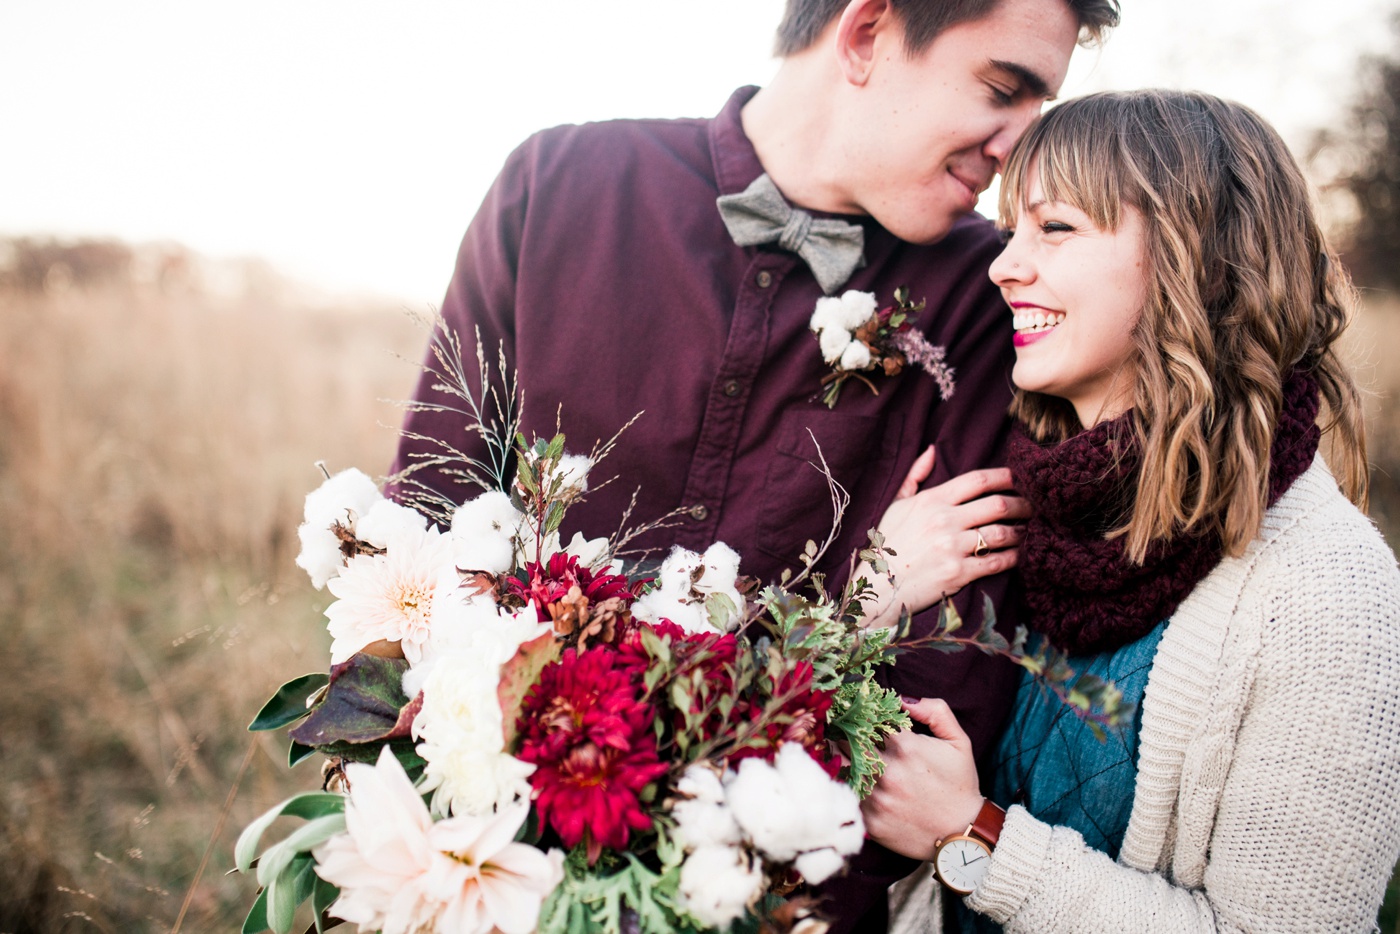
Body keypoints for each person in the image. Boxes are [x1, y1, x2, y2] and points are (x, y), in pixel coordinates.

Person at [391, 3, 1119, 927]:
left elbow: (928, 714)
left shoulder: (993, 303)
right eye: (1003, 89)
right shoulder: (559, 186)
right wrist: (853, 600)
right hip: (473, 876)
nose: (1021, 147)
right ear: (865, 35)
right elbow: (417, 543)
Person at [861, 89, 1400, 932]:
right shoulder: (1022, 505)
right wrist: (868, 600)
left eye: (1057, 228)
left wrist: (974, 839)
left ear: (1198, 260)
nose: (1004, 265)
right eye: (1012, 231)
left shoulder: (1325, 588)